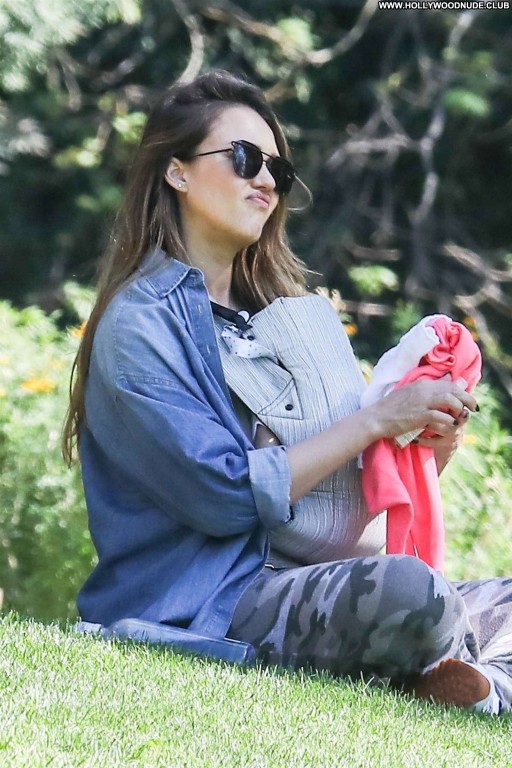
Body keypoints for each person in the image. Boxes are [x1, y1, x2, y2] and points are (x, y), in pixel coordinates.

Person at [63, 69, 512, 715]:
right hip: (216, 600)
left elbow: (346, 498)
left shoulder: (286, 319)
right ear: (177, 172)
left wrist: (423, 442)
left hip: (317, 577)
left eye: (278, 167)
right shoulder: (141, 324)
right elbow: (222, 497)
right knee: (411, 592)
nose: (268, 181)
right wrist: (377, 419)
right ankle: (470, 682)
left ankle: (465, 683)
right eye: (245, 158)